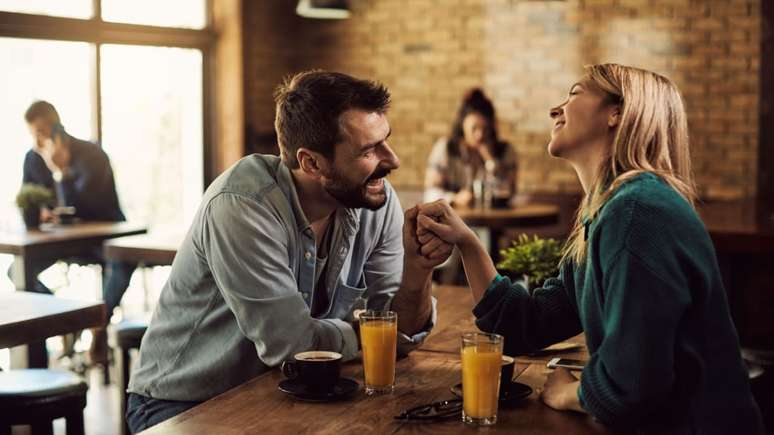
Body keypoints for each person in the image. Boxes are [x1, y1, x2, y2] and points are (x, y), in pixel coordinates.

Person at [415, 64, 764, 434]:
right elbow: (524, 324)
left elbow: (630, 388)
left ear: (616, 113)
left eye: (574, 93)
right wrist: (468, 242)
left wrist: (568, 393)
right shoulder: (609, 212)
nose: (555, 109)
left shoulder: (637, 213)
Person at [126, 71, 452, 433]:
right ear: (311, 163)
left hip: (286, 393)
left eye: (385, 141)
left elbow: (396, 337)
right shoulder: (243, 207)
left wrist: (419, 271)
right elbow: (293, 345)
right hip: (183, 404)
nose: (392, 160)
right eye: (367, 150)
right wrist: (371, 333)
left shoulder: (374, 198)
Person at [13, 100, 136, 364]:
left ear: (55, 126)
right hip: (62, 241)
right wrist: (40, 211)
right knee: (18, 271)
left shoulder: (91, 154)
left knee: (123, 260)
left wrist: (61, 171)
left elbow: (91, 206)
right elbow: (28, 203)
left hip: (102, 238)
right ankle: (68, 319)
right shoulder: (32, 159)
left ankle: (98, 323)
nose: (37, 141)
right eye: (32, 134)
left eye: (40, 133)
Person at [424, 88, 517, 208]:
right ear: (462, 125)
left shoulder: (505, 151)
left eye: (485, 129)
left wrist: (490, 161)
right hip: (451, 222)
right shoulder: (446, 148)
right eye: (474, 128)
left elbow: (509, 192)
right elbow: (430, 193)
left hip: (492, 223)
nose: (480, 135)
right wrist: (454, 198)